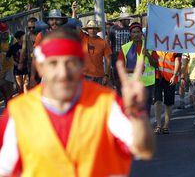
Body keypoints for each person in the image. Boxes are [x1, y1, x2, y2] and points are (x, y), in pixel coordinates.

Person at [0, 29, 154, 176]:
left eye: (70, 63)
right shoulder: (19, 112)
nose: (63, 72)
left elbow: (144, 148)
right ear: (40, 67)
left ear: (82, 66)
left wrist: (137, 112)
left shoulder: (105, 103)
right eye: (54, 63)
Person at [118, 22, 158, 116]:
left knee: (146, 109)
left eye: (138, 32)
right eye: (134, 32)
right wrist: (135, 70)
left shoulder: (149, 47)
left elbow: (156, 64)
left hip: (148, 84)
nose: (136, 34)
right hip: (133, 84)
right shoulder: (125, 48)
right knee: (134, 109)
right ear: (130, 34)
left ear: (142, 33)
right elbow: (121, 68)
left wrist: (148, 54)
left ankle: (145, 128)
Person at [30, 9, 69, 87]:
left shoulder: (67, 35)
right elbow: (35, 56)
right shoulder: (41, 35)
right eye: (51, 19)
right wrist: (32, 77)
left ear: (61, 21)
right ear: (48, 21)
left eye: (57, 19)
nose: (54, 22)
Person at [153, 51, 181, 134]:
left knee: (168, 102)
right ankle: (158, 125)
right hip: (158, 76)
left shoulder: (174, 46)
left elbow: (177, 60)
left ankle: (166, 125)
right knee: (157, 100)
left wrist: (175, 75)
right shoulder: (156, 44)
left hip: (170, 77)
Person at [80, 20, 112, 85]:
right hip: (84, 75)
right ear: (87, 30)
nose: (92, 30)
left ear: (97, 30)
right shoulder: (83, 37)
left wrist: (107, 75)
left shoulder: (103, 43)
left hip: (98, 76)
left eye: (94, 28)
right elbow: (75, 24)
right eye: (90, 28)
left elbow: (109, 60)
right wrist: (74, 11)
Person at [109, 13, 133, 94]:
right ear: (122, 20)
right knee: (117, 77)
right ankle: (119, 95)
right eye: (127, 19)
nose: (129, 21)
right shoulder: (113, 29)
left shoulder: (130, 29)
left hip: (128, 57)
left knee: (128, 76)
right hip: (116, 57)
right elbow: (109, 42)